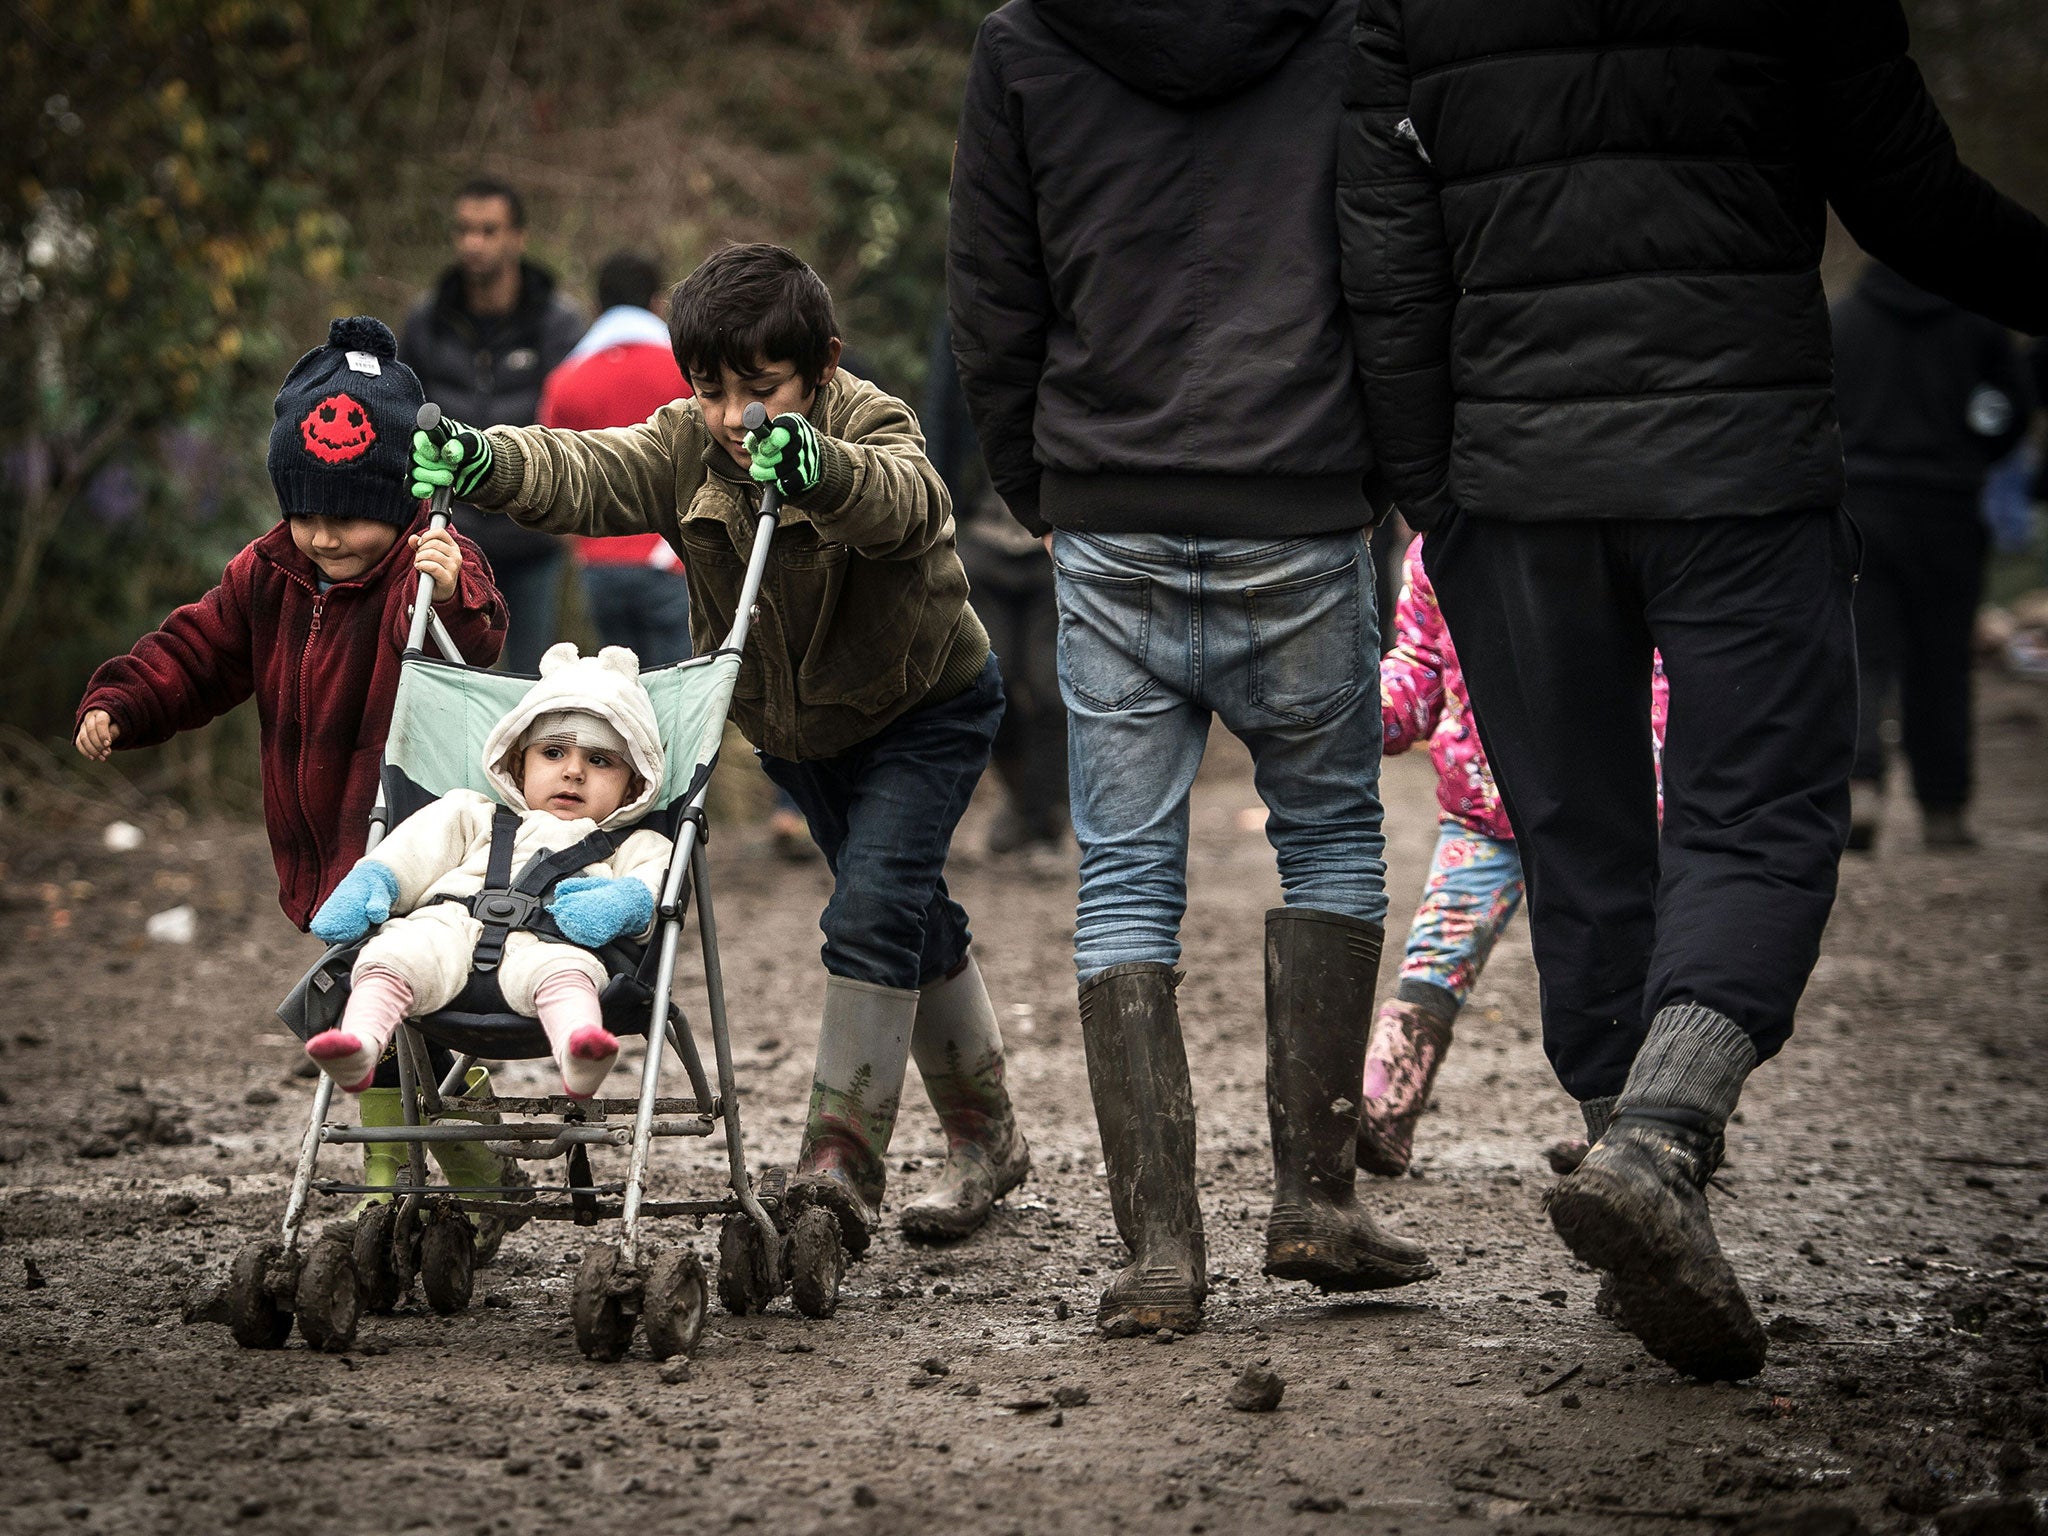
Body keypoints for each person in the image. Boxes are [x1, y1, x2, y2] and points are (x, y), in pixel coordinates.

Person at [1341, 0, 2048, 1379]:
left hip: (1515, 478)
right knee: (1759, 811)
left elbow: (1384, 249)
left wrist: (1442, 495)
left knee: (1578, 833)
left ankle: (1636, 1160)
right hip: (1742, 464)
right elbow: (1903, 190)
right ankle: (1662, 1142)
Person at [948, 0, 1432, 1339]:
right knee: (1332, 840)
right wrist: (1390, 478)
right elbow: (1390, 261)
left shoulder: (1030, 40)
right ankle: (1315, 1202)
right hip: (1301, 495)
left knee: (1124, 874)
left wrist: (1037, 483)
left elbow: (994, 286)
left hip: (1113, 506)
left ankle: (1162, 1254)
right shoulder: (1342, 28)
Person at [408, 242, 1031, 1248]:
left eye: (761, 390)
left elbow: (910, 502)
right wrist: (489, 460)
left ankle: (836, 1169)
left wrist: (821, 470)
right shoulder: (687, 446)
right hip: (794, 730)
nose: (735, 417)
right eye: (708, 392)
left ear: (820, 365)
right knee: (904, 911)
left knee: (869, 912)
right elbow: (588, 470)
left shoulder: (868, 421)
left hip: (922, 709)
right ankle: (987, 1136)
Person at [74, 316, 516, 1227]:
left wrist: (455, 583)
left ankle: (451, 1175)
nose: (323, 534)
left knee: (402, 1004)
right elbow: (196, 653)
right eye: (305, 511)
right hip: (324, 850)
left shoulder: (416, 571)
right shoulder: (267, 575)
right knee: (379, 1010)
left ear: (397, 501)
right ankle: (462, 1170)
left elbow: (473, 647)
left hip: (415, 846)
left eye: (348, 513)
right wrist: (124, 699)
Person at [1364, 538, 1668, 1176]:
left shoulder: (1615, 538)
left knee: (1618, 962)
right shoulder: (1439, 550)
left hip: (1608, 810)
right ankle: (1382, 1110)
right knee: (1436, 957)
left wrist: (1661, 764)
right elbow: (1420, 662)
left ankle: (1638, 1133)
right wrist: (1367, 712)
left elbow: (1661, 670)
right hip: (1485, 804)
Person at [304, 644, 670, 1102]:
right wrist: (370, 884)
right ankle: (360, 1043)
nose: (573, 772)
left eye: (600, 760)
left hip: (550, 945)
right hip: (444, 930)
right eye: (553, 753)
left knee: (571, 973)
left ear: (635, 783)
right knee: (390, 954)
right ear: (519, 764)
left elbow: (650, 892)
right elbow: (409, 853)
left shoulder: (638, 843)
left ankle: (579, 1050)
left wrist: (619, 904)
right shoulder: (469, 812)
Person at [1834, 264, 2035, 851]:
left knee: (1859, 655)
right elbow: (2013, 410)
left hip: (1861, 507)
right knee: (1941, 663)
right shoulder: (1978, 326)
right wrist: (1973, 447)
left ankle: (1860, 785)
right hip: (1947, 506)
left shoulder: (1844, 319)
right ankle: (1943, 808)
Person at [400, 177, 585, 673]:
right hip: (447, 537)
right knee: (448, 685)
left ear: (518, 237)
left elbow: (576, 427)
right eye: (463, 230)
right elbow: (401, 419)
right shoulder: (426, 322)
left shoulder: (558, 325)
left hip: (531, 535)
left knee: (532, 686)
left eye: (488, 230)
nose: (473, 243)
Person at [924, 315, 1066, 855]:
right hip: (981, 537)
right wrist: (938, 522)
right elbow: (939, 417)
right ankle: (1026, 801)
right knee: (992, 682)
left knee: (1054, 688)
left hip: (1055, 539)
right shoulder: (963, 317)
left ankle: (1042, 811)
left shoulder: (1070, 309)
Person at [538, 252, 697, 667]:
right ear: (657, 305)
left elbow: (551, 475)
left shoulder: (565, 380)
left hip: (599, 566)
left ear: (596, 307)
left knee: (622, 697)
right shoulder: (688, 370)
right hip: (671, 560)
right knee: (676, 697)